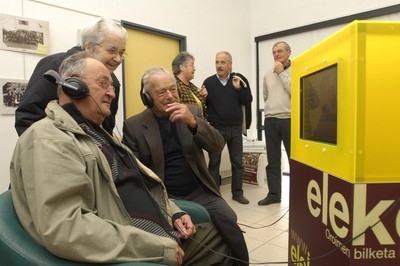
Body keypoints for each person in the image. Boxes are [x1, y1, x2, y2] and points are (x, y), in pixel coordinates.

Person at [10, 52, 232, 266]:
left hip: (159, 225)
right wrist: (157, 248)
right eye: (103, 83)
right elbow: (65, 228)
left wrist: (174, 211)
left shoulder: (95, 131)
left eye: (112, 86)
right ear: (74, 86)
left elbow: (139, 182)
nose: (112, 93)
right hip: (140, 242)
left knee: (223, 230)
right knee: (220, 241)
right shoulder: (48, 139)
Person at [123, 67, 249, 266]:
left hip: (198, 190)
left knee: (227, 218)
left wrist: (193, 123)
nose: (170, 96)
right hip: (164, 195)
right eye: (161, 92)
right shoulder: (134, 125)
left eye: (173, 89)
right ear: (147, 97)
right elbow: (135, 171)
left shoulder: (192, 111)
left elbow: (217, 145)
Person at [15, 17, 127, 136]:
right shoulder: (54, 65)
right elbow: (28, 118)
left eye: (121, 53)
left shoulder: (113, 82)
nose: (118, 59)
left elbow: (107, 127)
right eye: (111, 51)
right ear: (88, 47)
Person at [202, 51, 252, 205]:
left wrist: (239, 89)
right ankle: (214, 194)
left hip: (236, 129)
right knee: (214, 163)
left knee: (237, 163)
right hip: (216, 129)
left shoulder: (238, 80)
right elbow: (203, 107)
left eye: (223, 62)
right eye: (217, 62)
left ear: (230, 64)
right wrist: (203, 97)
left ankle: (237, 193)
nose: (219, 65)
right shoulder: (209, 82)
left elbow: (248, 100)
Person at [258, 41, 292, 206]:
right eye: (274, 52)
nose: (276, 55)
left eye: (279, 51)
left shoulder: (296, 70)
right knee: (273, 161)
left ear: (288, 52)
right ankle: (274, 194)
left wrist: (281, 73)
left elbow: (295, 90)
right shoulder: (267, 73)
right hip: (270, 120)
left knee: (294, 160)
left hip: (289, 119)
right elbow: (266, 95)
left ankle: (298, 194)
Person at [171, 51, 208, 117]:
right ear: (182, 67)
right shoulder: (174, 86)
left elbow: (198, 105)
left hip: (199, 124)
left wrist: (203, 96)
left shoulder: (192, 86)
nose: (194, 69)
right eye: (192, 65)